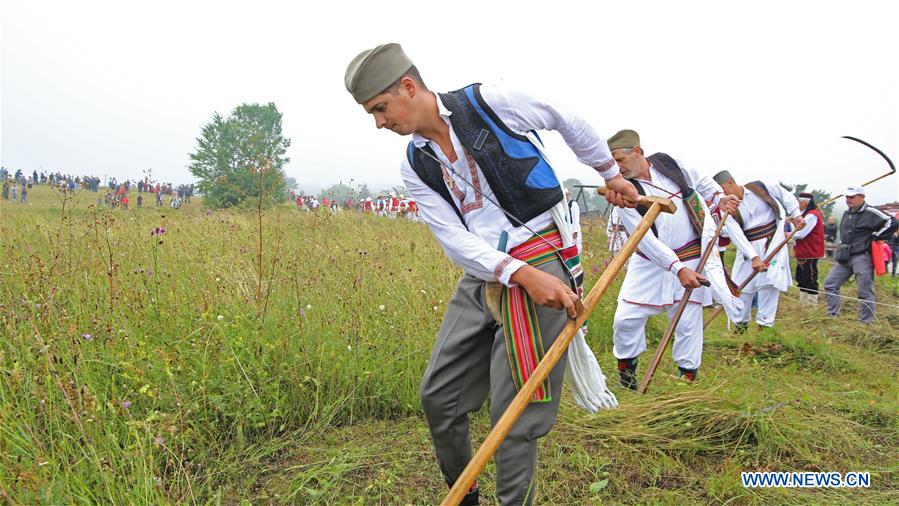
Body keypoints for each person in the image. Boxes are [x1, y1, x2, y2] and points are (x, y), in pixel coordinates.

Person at [345, 43, 637, 505]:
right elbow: (453, 238)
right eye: (372, 114)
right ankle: (465, 498)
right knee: (439, 397)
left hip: (543, 254)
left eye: (380, 108)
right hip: (487, 271)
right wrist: (514, 273)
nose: (379, 123)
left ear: (407, 86)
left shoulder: (489, 102)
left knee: (514, 414)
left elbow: (564, 117)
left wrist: (607, 171)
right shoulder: (414, 163)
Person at [607, 130, 741, 388]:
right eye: (613, 163)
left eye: (621, 160)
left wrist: (720, 200)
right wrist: (676, 268)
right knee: (625, 319)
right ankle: (627, 376)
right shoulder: (623, 194)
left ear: (638, 152)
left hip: (691, 257)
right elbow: (644, 239)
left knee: (688, 323)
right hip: (649, 263)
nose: (618, 168)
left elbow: (702, 183)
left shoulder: (670, 164)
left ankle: (686, 382)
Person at [714, 171, 804, 332]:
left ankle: (765, 328)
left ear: (730, 182)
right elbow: (736, 235)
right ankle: (740, 327)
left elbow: (786, 197)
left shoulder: (760, 188)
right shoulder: (726, 207)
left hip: (773, 243)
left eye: (722, 190)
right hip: (748, 249)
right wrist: (754, 257)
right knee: (741, 287)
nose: (722, 195)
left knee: (769, 285)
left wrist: (796, 215)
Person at [824, 186, 898, 322]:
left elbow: (892, 222)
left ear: (862, 197)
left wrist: (876, 236)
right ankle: (832, 316)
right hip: (845, 256)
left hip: (862, 256)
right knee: (830, 284)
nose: (848, 200)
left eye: (852, 197)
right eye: (847, 197)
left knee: (864, 291)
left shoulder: (872, 212)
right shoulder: (847, 213)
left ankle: (865, 322)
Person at [792, 192, 825, 306]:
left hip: (810, 251)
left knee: (810, 278)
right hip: (803, 251)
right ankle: (803, 304)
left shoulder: (812, 215)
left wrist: (787, 235)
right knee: (801, 278)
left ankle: (811, 306)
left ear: (804, 203)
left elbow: (801, 234)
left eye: (798, 202)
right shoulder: (805, 215)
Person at [565, 188, 583, 254]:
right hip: (568, 228)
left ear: (568, 195)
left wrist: (575, 231)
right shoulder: (565, 204)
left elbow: (576, 218)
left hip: (573, 228)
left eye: (566, 195)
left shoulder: (573, 204)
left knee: (576, 248)